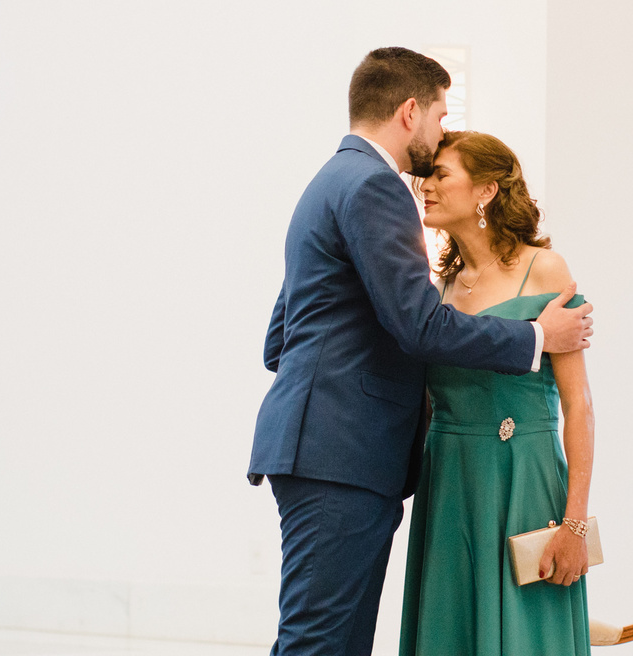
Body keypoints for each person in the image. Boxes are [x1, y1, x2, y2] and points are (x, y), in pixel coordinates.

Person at [248, 47, 594, 656]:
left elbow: (282, 337)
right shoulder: (374, 186)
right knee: (318, 644)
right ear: (410, 111)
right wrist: (537, 337)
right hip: (344, 455)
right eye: (438, 116)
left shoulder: (335, 179)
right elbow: (419, 328)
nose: (432, 155)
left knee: (333, 643)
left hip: (348, 453)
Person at [399, 131, 594, 656]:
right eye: (425, 176)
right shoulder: (436, 289)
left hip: (524, 481)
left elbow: (578, 405)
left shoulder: (544, 270)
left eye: (441, 175)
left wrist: (574, 524)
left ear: (486, 190)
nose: (425, 186)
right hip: (450, 486)